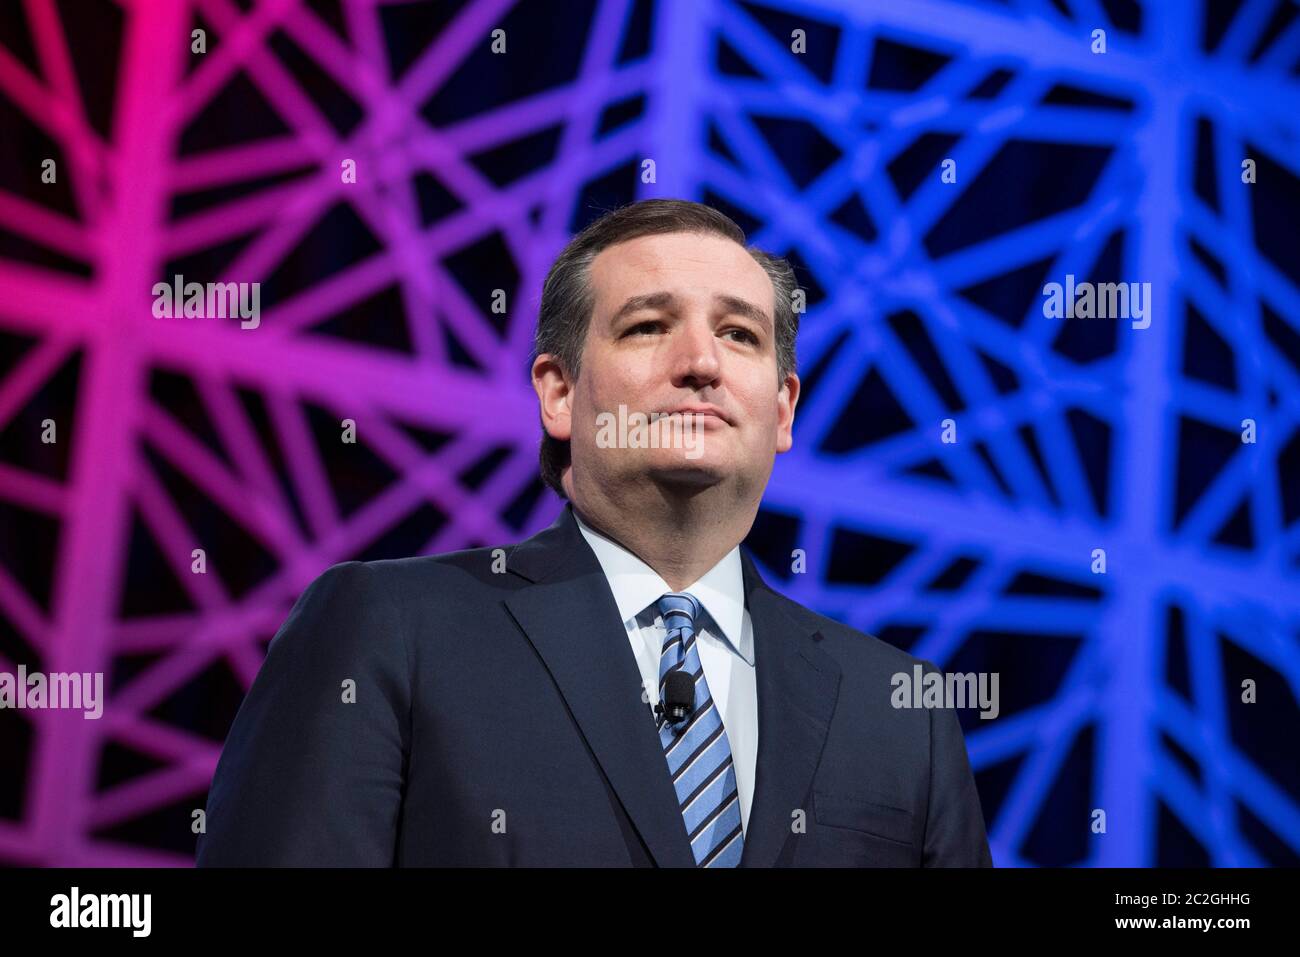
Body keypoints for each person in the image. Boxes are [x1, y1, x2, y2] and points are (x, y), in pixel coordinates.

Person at [196, 199, 993, 867]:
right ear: (559, 392)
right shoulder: (388, 628)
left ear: (782, 410)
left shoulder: (902, 718)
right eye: (649, 325)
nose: (702, 362)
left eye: (741, 334)